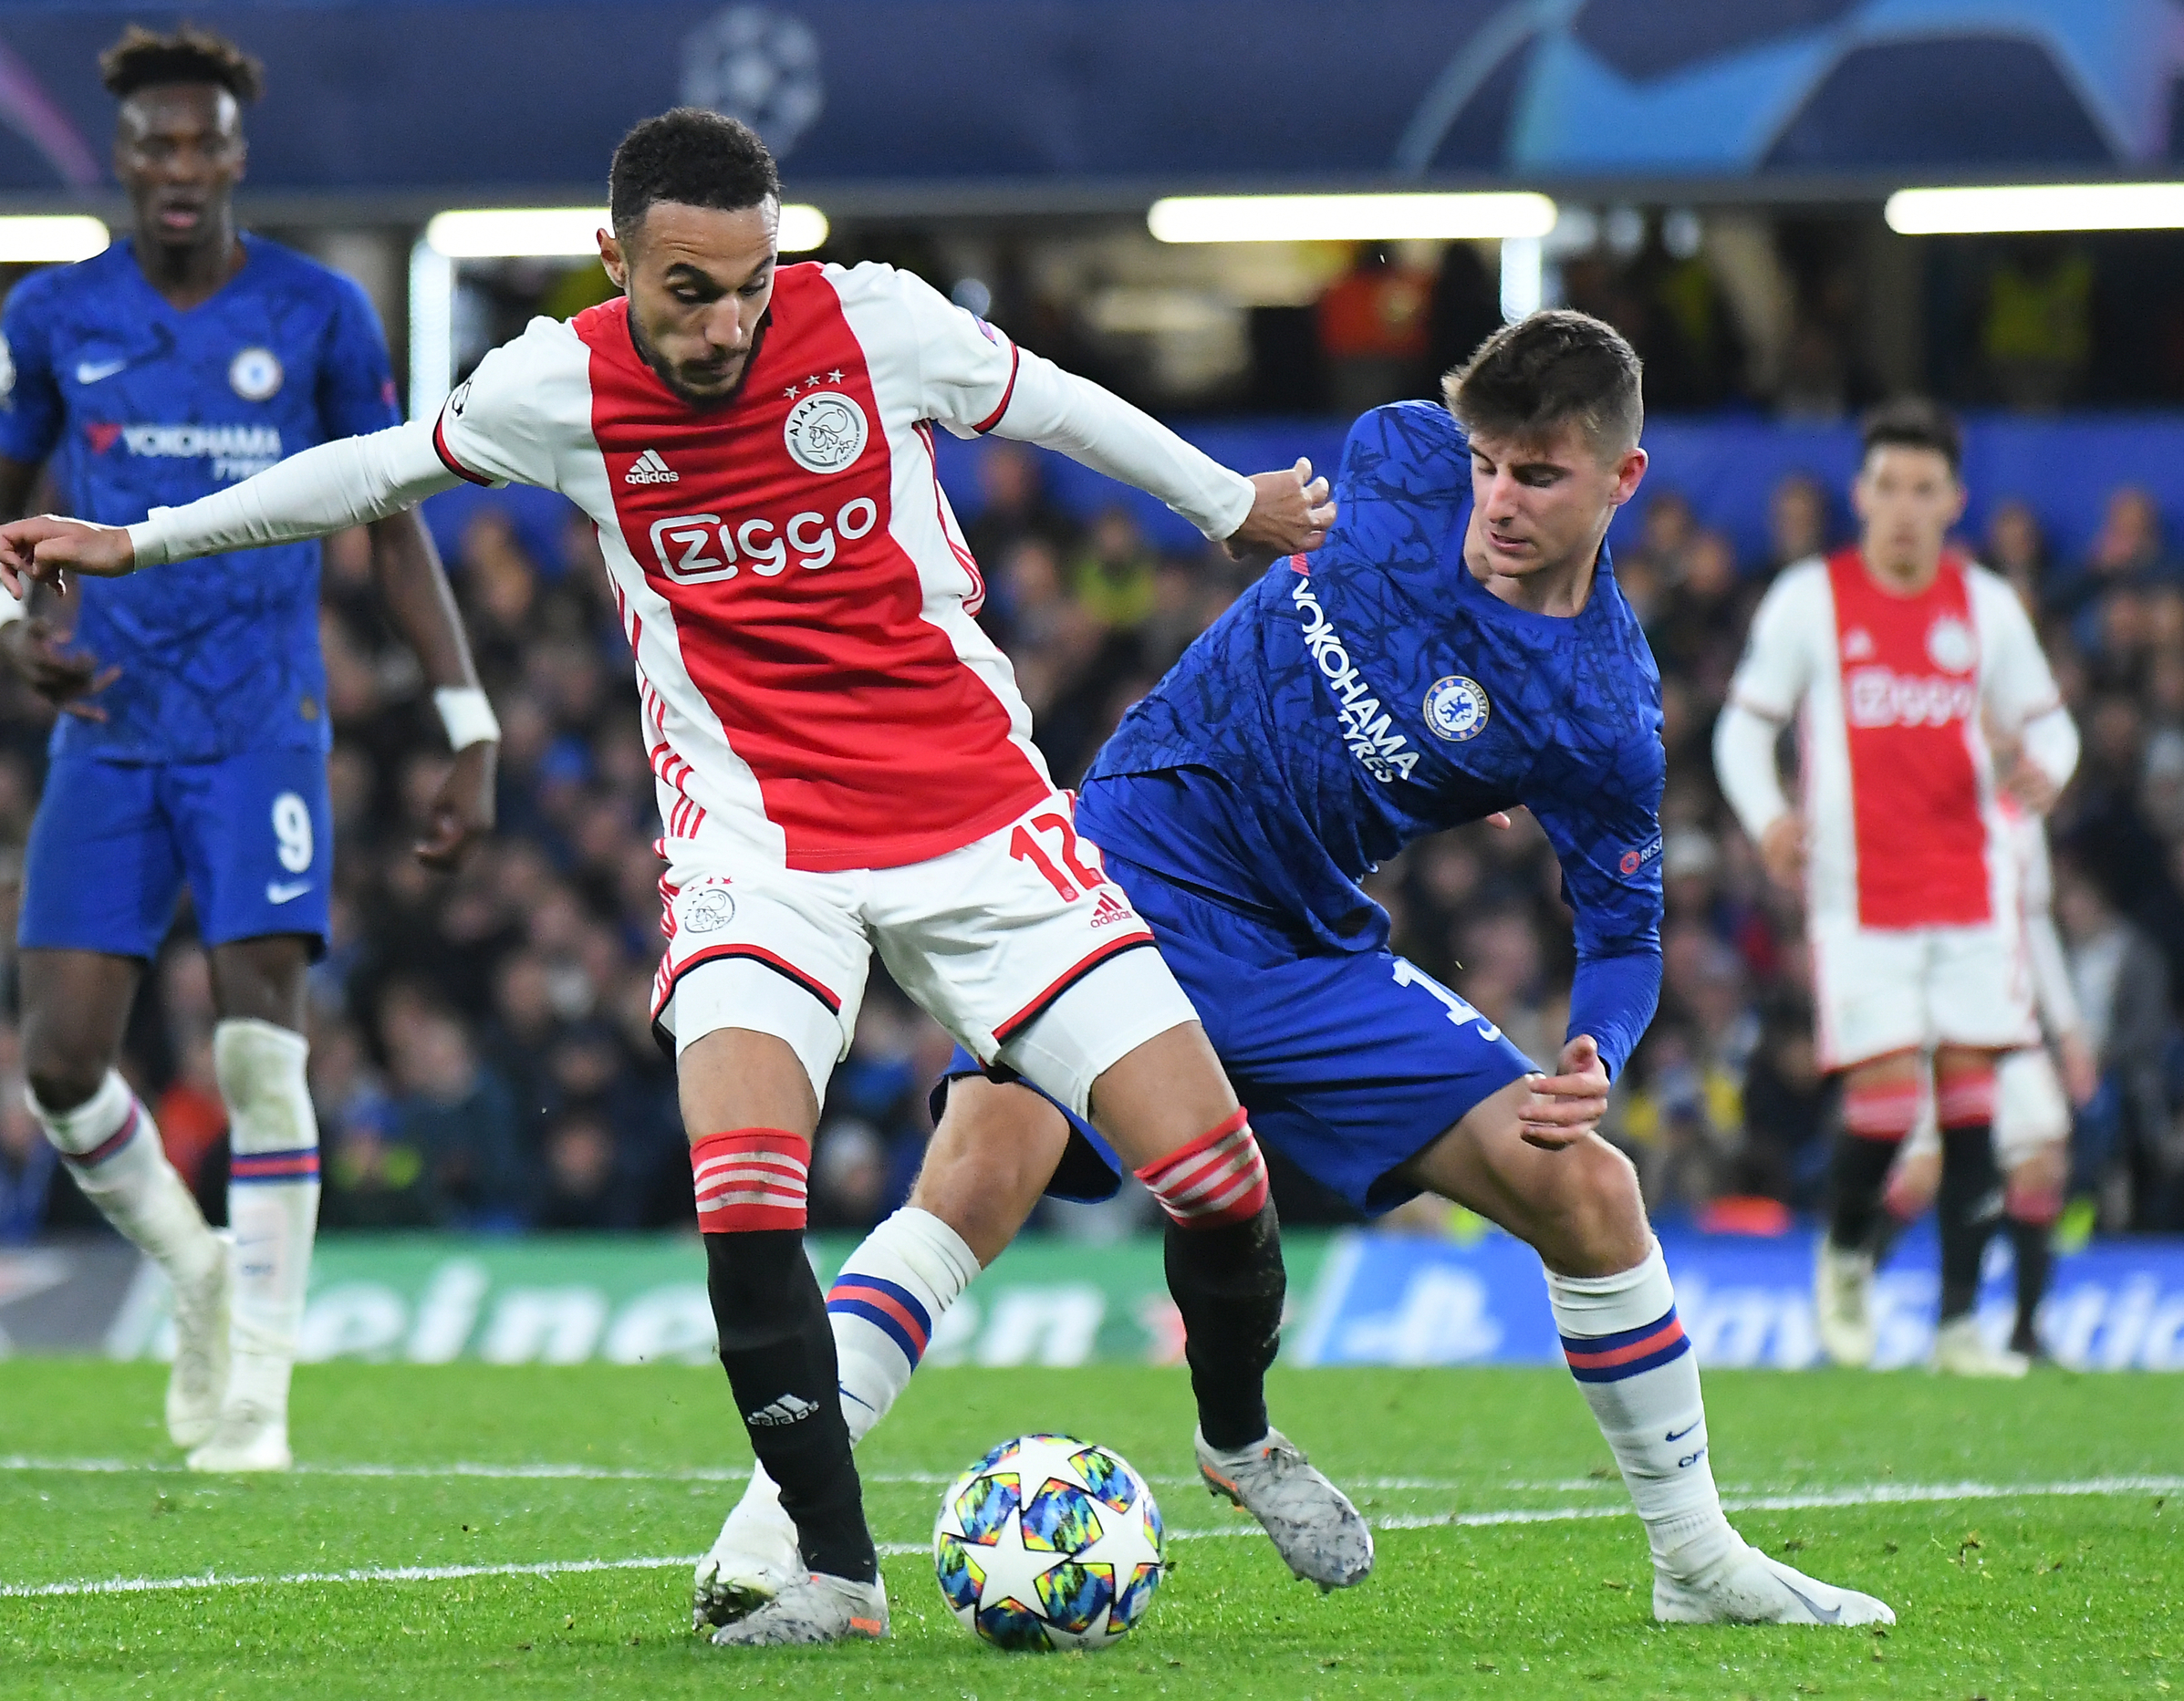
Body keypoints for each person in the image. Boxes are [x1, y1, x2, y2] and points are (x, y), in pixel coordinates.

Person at [0, 108, 1354, 1648]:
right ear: (613, 261)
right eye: (686, 290)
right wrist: (142, 539)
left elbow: (1057, 409)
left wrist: (1218, 501)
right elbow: (372, 476)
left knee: (1218, 1182)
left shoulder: (874, 324)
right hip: (755, 851)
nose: (723, 323)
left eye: (747, 284)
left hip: (979, 827)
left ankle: (1233, 1437)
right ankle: (837, 1577)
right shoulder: (555, 383)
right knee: (745, 1195)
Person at [704, 311, 1897, 1629]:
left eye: (1537, 475)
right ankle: (772, 1530)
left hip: (1301, 943)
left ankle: (1695, 1560)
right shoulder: (1398, 457)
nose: (1494, 499)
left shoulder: (1597, 713)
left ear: (1622, 480)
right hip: (1122, 863)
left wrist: (1591, 1053)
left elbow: (1623, 930)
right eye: (1487, 462)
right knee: (984, 1167)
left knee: (1587, 1189)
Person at [0, 26, 495, 1474]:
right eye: (155, 147)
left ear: (235, 155)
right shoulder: (54, 314)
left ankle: (256, 1388)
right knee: (60, 1065)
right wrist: (3, 632)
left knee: (263, 1051)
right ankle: (199, 1272)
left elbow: (387, 525)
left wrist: (467, 718)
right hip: (109, 725)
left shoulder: (320, 313)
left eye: (202, 144)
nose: (180, 168)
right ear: (121, 159)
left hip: (264, 724)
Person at [1714, 400, 2078, 1375]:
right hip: (1857, 893)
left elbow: (2051, 725)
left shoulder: (1986, 605)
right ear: (1860, 494)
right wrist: (1770, 819)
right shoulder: (1811, 598)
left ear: (1955, 500)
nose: (1905, 508)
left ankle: (1960, 1326)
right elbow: (1741, 729)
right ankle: (1842, 1258)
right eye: (1888, 487)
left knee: (1969, 1104)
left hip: (1970, 888)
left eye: (1925, 489)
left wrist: (2046, 769)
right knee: (1883, 1096)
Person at [1883, 791, 2094, 1365]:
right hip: (1943, 1013)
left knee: (2041, 1160)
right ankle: (1848, 1294)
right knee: (1926, 1170)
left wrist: (2069, 1027)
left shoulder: (2020, 818)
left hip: (2010, 1014)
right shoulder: (1930, 803)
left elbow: (2035, 924)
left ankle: (2023, 1332)